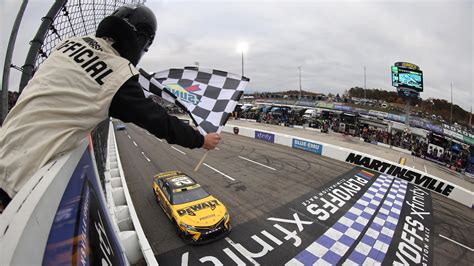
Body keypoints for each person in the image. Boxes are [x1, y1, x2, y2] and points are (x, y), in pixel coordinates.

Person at [0, 4, 220, 211]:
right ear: (141, 41)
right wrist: (201, 140)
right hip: (20, 184)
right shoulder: (119, 73)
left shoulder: (67, 44)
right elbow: (158, 121)